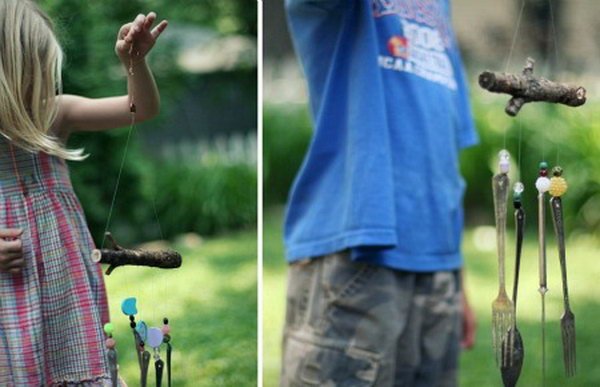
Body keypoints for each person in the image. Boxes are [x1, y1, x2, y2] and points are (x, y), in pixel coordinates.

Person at [281, 1, 478, 386]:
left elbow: (442, 154)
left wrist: (457, 276)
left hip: (437, 269)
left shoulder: (439, 6)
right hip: (356, 258)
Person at [0, 1, 167, 384]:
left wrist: (135, 62)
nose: (45, 79)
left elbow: (139, 109)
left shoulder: (55, 113)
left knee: (75, 368)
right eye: (35, 68)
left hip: (65, 290)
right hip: (9, 293)